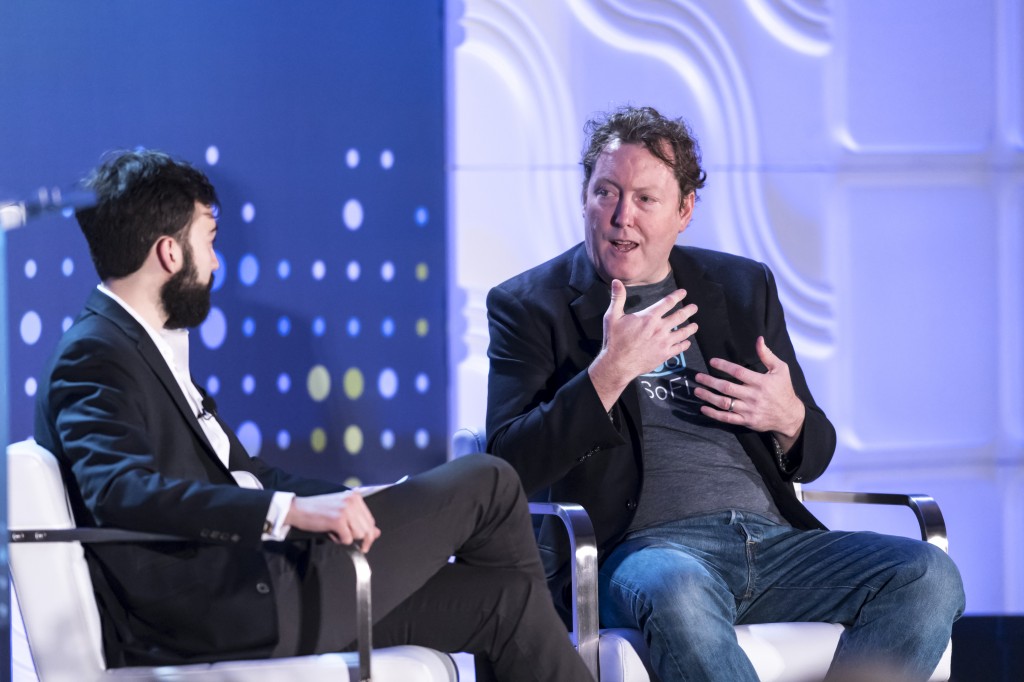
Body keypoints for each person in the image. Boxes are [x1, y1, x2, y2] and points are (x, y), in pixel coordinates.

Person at [34, 149, 593, 681]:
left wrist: (361, 501)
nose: (215, 263)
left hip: (260, 581)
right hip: (226, 607)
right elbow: (121, 493)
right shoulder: (96, 354)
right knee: (488, 479)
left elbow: (248, 473)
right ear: (169, 253)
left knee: (505, 599)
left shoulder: (140, 346)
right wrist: (290, 513)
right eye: (209, 242)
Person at [485, 105, 965, 681]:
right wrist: (608, 374)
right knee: (680, 591)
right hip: (643, 552)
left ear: (685, 210)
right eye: (605, 193)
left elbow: (815, 451)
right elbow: (505, 464)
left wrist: (790, 419)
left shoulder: (741, 287)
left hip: (772, 541)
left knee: (929, 575)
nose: (620, 217)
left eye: (644, 199)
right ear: (583, 196)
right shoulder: (530, 305)